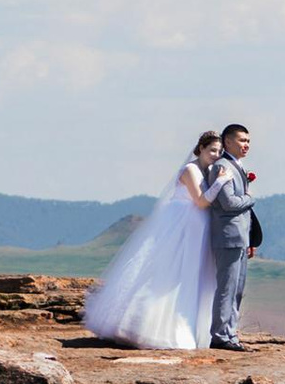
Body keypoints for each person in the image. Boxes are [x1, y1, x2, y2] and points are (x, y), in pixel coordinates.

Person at [79, 132, 222, 349]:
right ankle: (146, 327)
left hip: (196, 229)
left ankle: (190, 326)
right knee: (167, 272)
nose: (216, 155)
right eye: (212, 150)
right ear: (201, 148)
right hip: (180, 226)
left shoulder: (207, 171)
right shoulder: (190, 170)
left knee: (190, 275)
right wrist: (221, 182)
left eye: (219, 151)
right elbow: (200, 201)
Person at [202, 121, 260, 348]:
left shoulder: (237, 165)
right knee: (227, 288)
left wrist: (250, 238)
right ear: (228, 141)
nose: (247, 145)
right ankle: (220, 336)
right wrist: (250, 198)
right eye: (242, 140)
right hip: (227, 237)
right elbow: (228, 203)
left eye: (248, 141)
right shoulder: (221, 167)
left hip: (240, 237)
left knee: (237, 289)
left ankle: (230, 333)